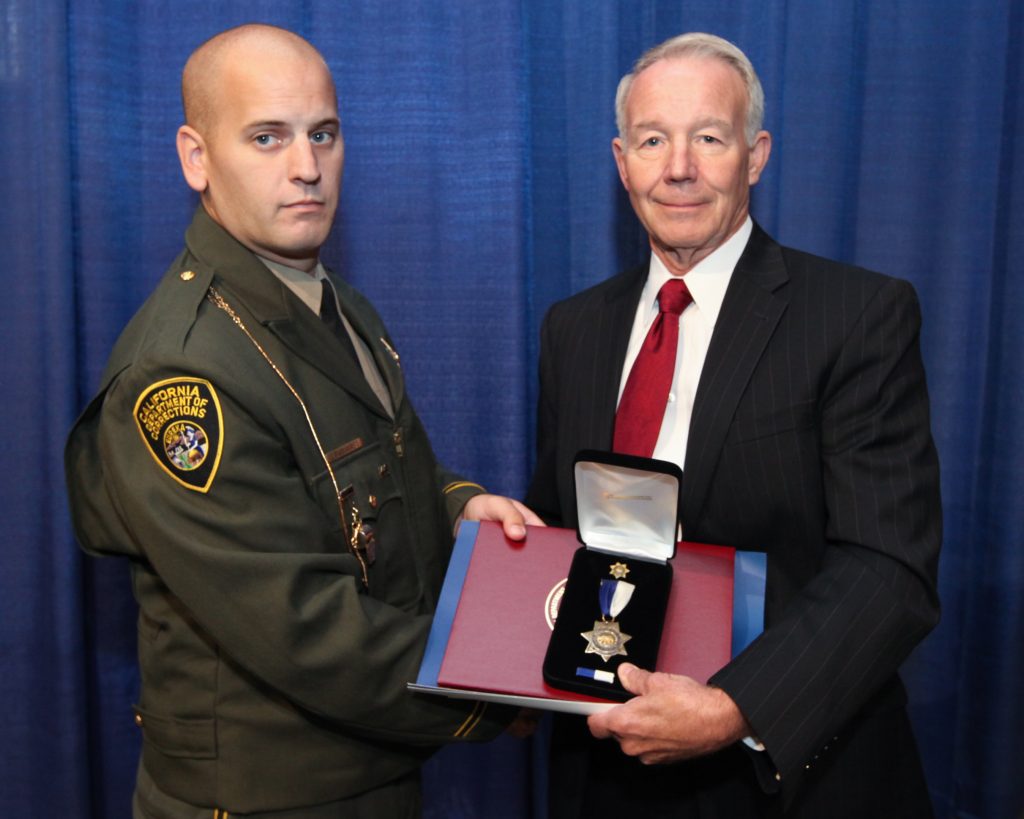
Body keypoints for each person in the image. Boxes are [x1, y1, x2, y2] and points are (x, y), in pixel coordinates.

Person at [65, 23, 541, 819]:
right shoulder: (180, 374)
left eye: (324, 133)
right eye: (267, 137)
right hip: (270, 798)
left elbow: (393, 466)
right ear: (196, 157)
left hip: (373, 766)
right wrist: (501, 689)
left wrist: (458, 505)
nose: (307, 167)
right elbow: (306, 627)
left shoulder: (335, 301)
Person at [526, 32, 941, 818]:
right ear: (622, 162)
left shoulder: (856, 316)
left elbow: (890, 571)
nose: (678, 166)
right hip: (604, 773)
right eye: (653, 140)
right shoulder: (571, 329)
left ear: (755, 155)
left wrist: (734, 708)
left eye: (708, 138)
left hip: (787, 777)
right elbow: (561, 529)